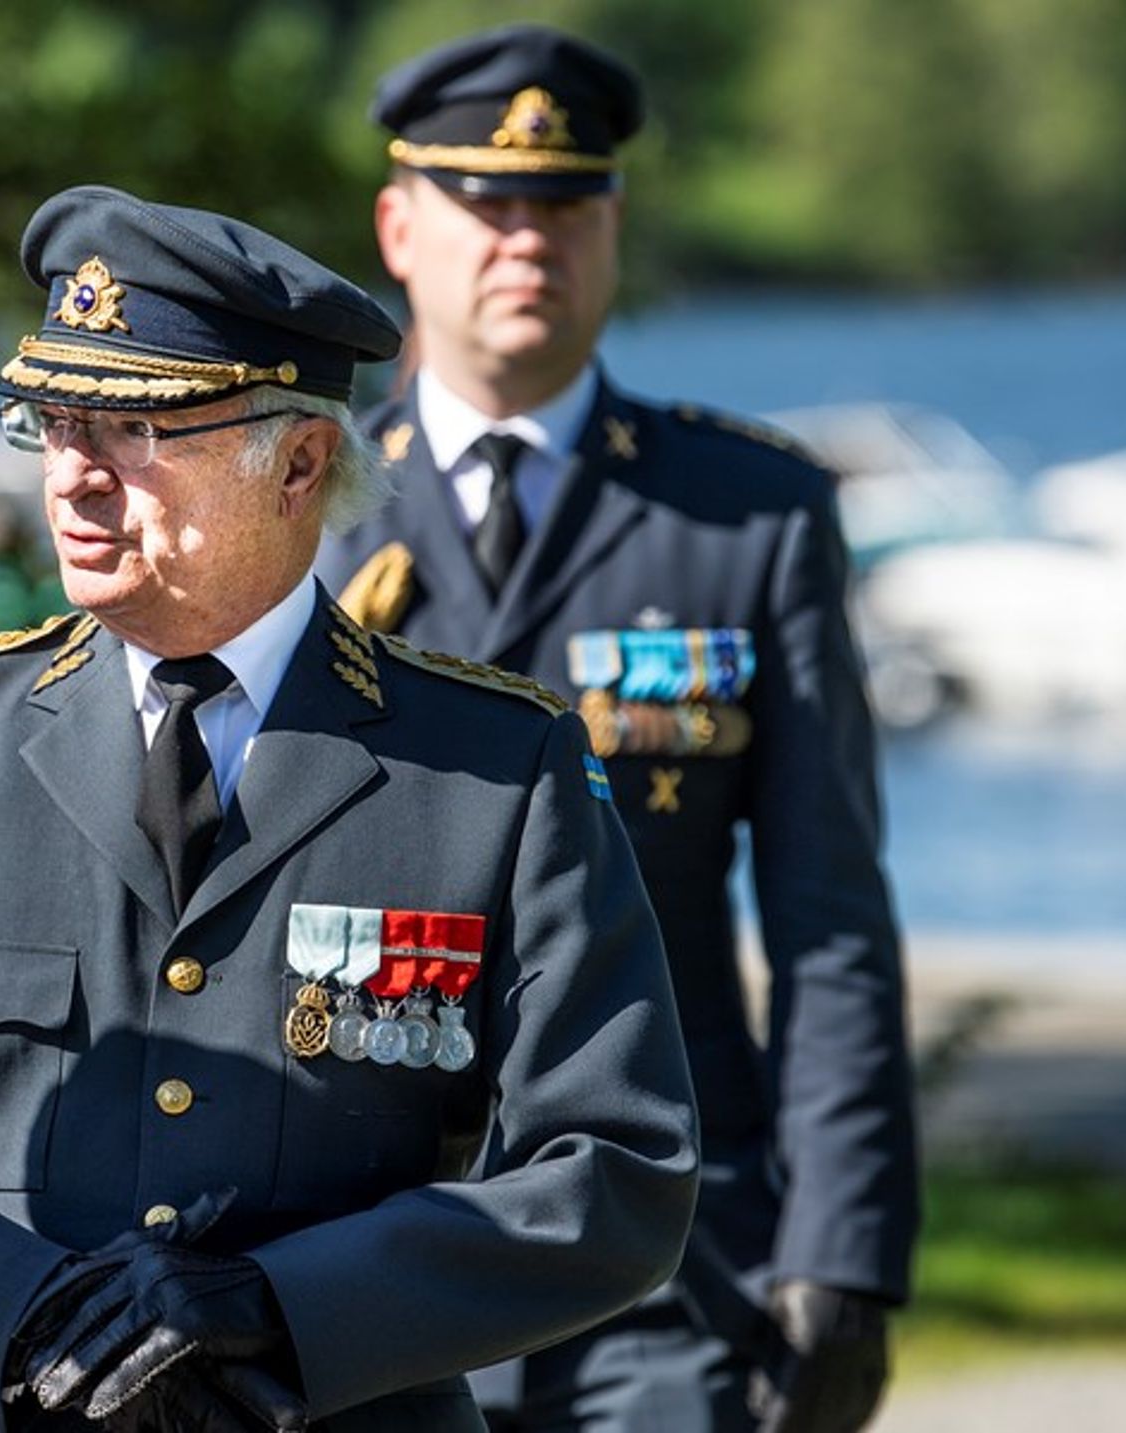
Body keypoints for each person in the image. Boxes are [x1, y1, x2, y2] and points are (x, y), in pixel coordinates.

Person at [0, 183, 699, 1432]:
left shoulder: (491, 764)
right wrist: (25, 1313)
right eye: (51, 423)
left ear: (302, 462)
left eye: (135, 430)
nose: (74, 478)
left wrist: (284, 1305)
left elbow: (616, 1171)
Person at [314, 25, 919, 1433]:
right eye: (486, 203)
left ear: (614, 228)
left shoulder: (749, 515)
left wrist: (846, 1247)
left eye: (565, 204)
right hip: (365, 1237)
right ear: (401, 229)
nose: (528, 238)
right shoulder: (303, 513)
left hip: (673, 1240)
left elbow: (831, 917)